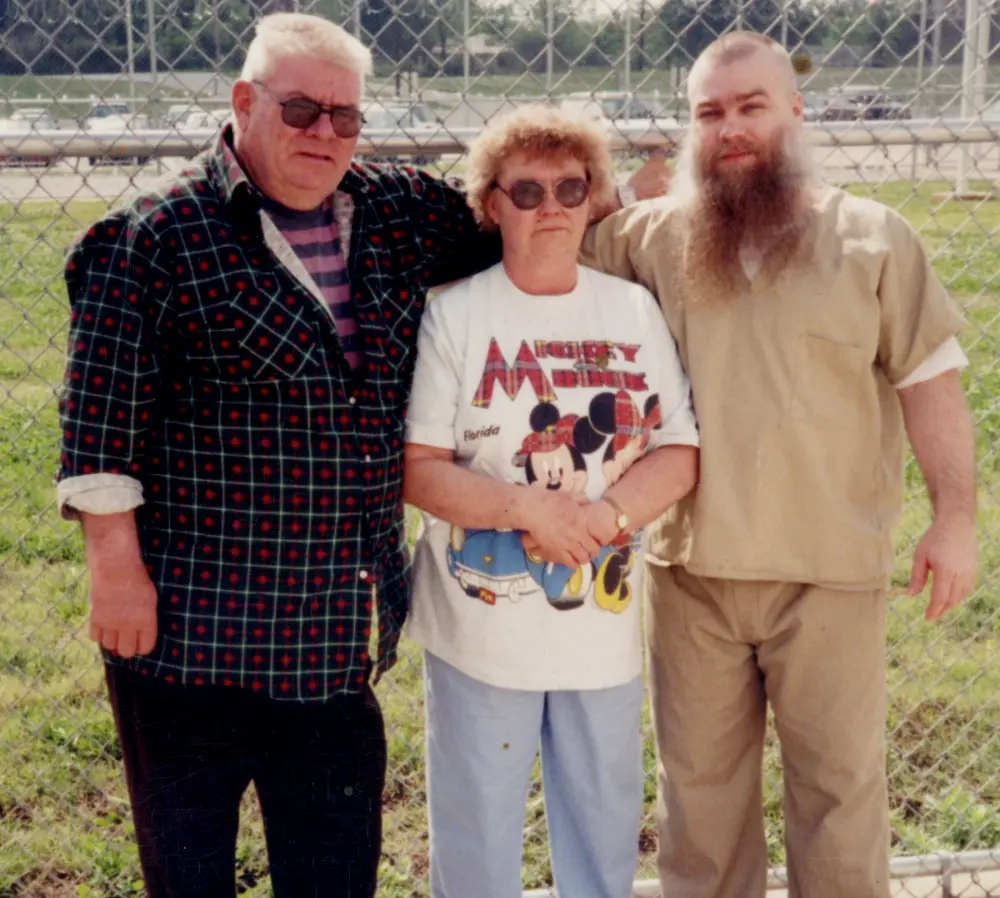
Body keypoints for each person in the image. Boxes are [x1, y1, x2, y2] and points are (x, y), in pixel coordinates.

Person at [56, 12, 670, 898]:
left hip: (332, 636)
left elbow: (524, 215)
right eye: (301, 109)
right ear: (243, 102)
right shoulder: (153, 236)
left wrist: (611, 199)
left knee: (334, 875)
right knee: (190, 876)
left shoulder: (393, 210)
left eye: (345, 116)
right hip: (192, 633)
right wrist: (114, 570)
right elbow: (97, 425)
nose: (325, 133)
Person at [581, 32, 979, 898]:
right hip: (691, 570)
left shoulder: (873, 237)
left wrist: (954, 519)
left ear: (795, 112)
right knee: (699, 805)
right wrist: (605, 193)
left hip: (828, 569)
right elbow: (539, 247)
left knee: (839, 797)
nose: (730, 128)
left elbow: (931, 384)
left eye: (751, 106)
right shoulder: (647, 239)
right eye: (709, 113)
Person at [403, 105, 700, 898]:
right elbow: (419, 469)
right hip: (480, 634)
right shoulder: (456, 314)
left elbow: (679, 449)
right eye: (526, 192)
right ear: (491, 204)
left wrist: (604, 518)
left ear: (594, 196)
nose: (551, 208)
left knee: (602, 841)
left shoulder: (630, 309)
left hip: (598, 634)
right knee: (477, 843)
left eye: (571, 188)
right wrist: (527, 510)